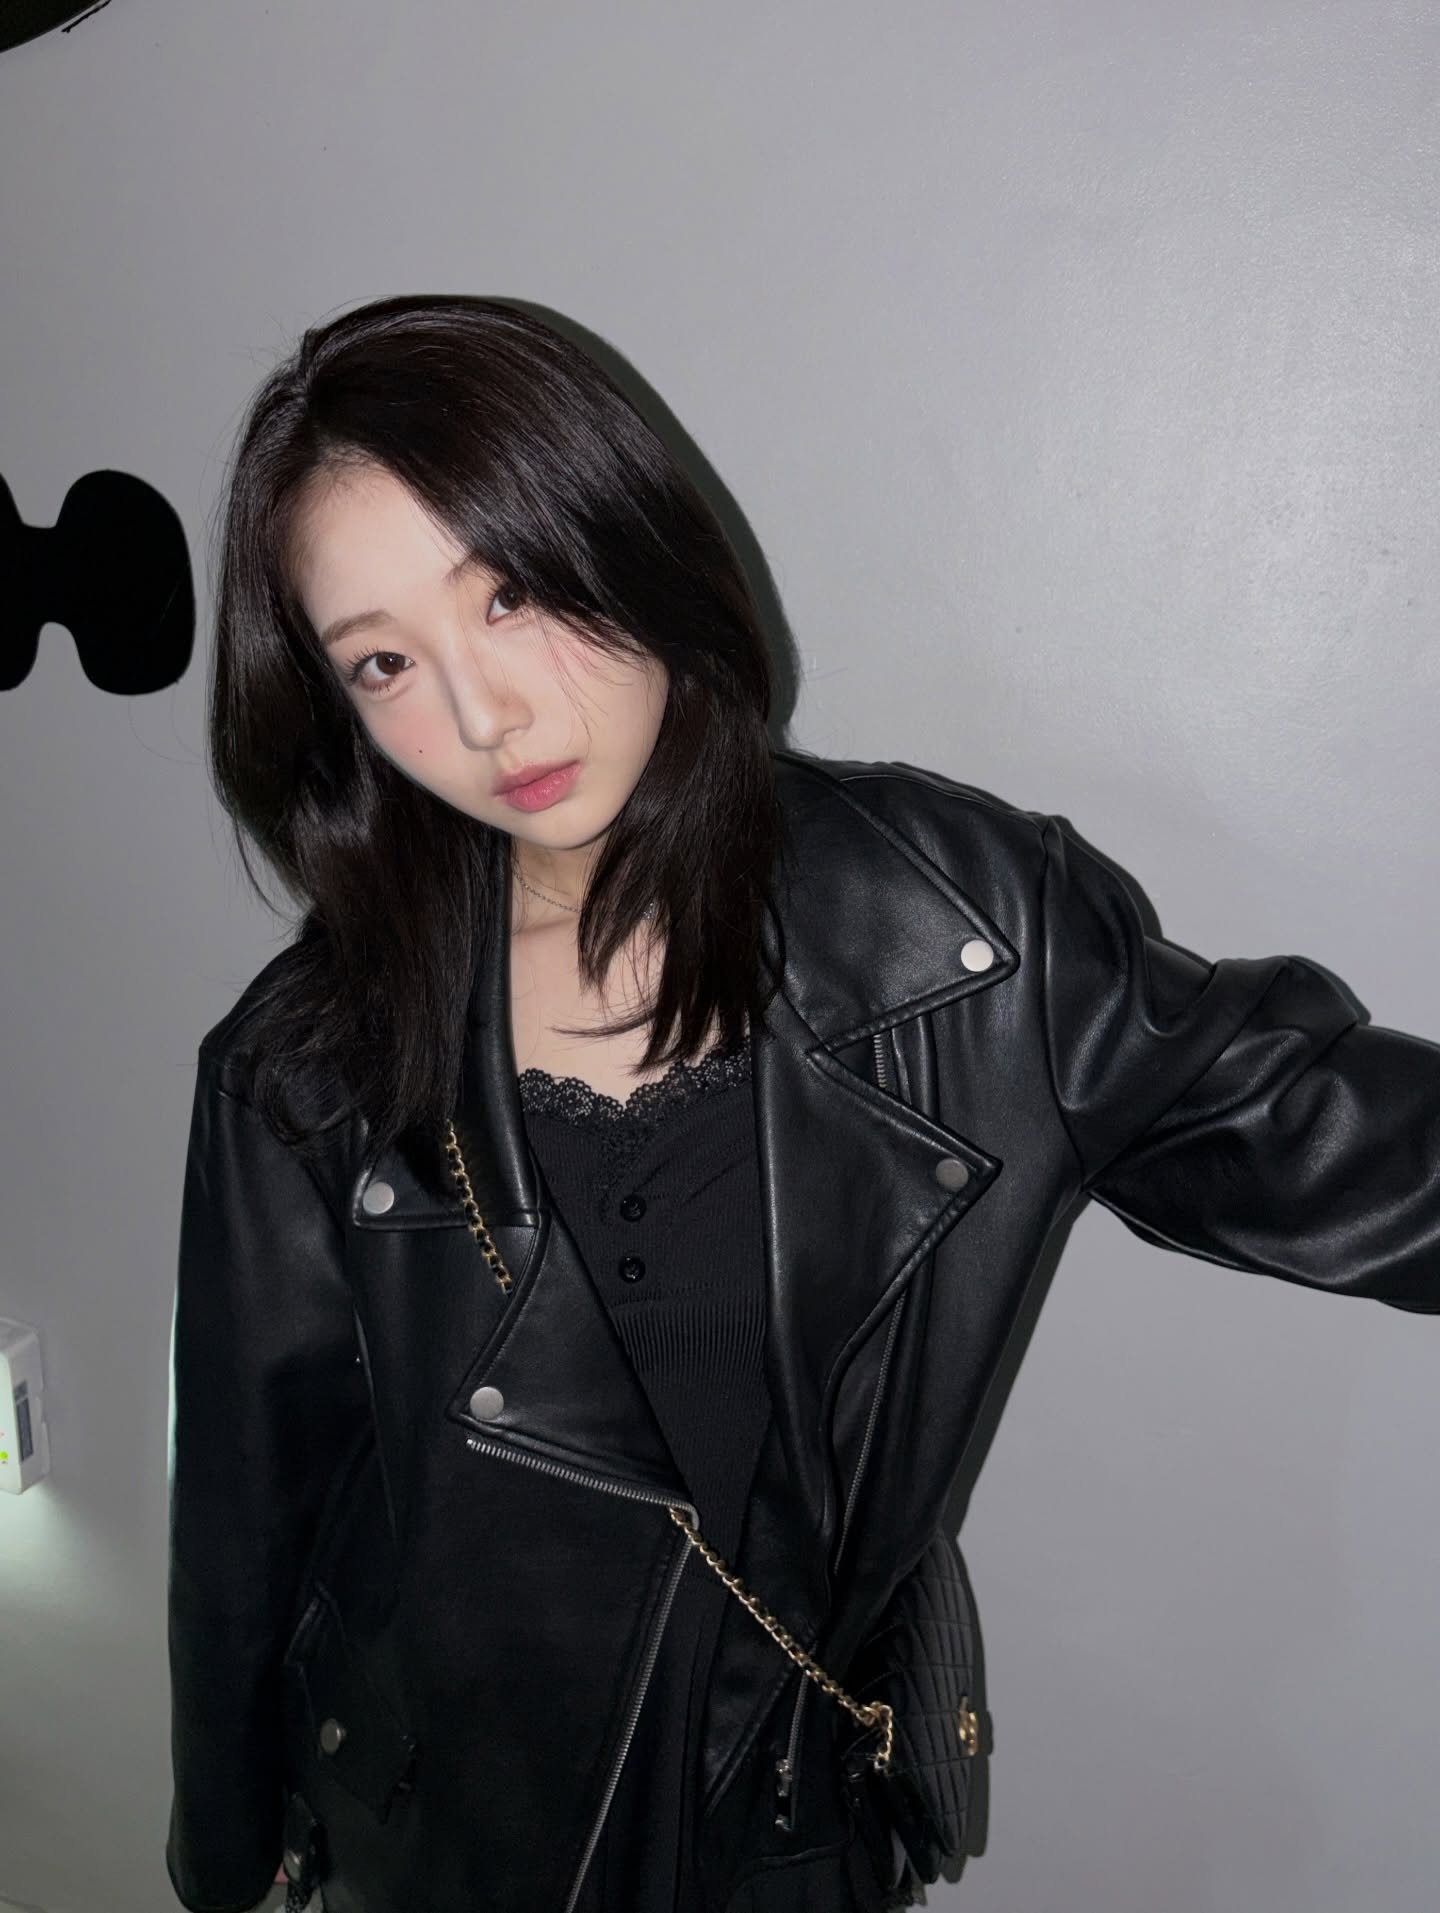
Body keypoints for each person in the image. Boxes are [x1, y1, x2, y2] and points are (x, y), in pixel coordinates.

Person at [165, 294, 1440, 1913]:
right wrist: (227, 1854)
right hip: (444, 1839)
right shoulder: (307, 1061)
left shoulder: (959, 932)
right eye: (385, 662)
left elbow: (1331, 1137)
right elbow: (249, 1512)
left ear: (623, 535)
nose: (483, 717)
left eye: (512, 593)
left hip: (784, 1822)